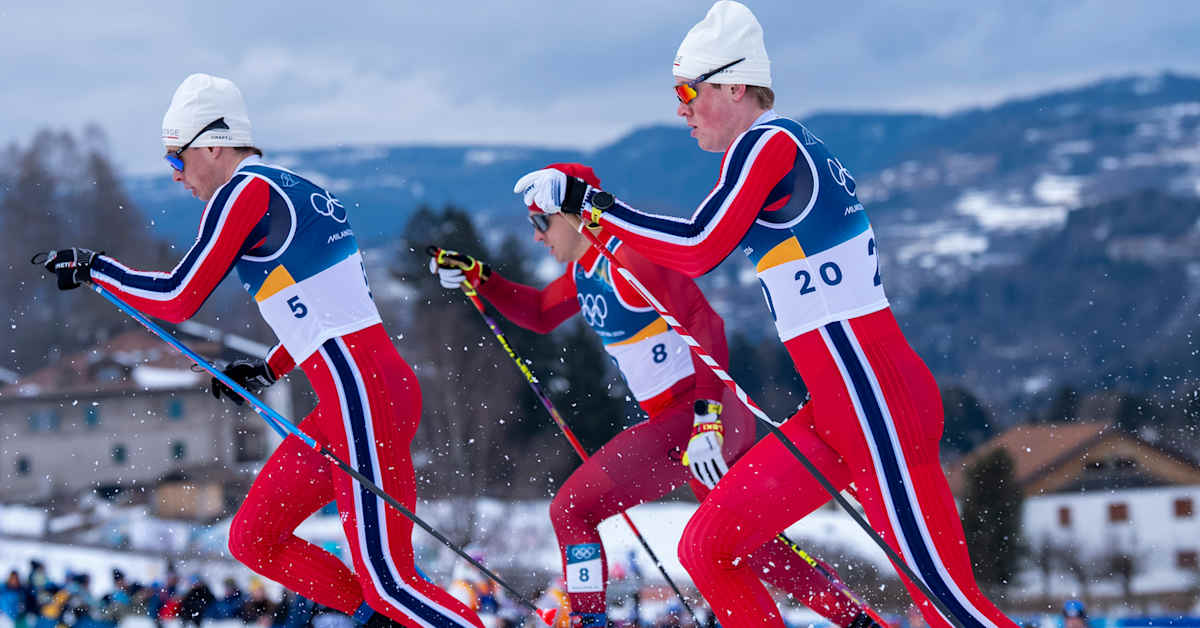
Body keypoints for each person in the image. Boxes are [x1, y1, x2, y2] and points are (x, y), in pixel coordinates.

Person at [512, 3, 1020, 627]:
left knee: (950, 610)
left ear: (734, 85)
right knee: (709, 547)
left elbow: (699, 247)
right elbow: (690, 243)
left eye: (688, 91)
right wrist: (590, 217)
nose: (681, 110)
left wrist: (590, 204)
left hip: (876, 399)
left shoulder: (771, 143)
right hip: (835, 410)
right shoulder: (756, 153)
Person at [38, 73, 482, 628]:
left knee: (391, 582)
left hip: (361, 395)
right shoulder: (293, 189)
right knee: (254, 538)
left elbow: (178, 297)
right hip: (355, 394)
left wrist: (96, 268)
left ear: (212, 145)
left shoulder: (244, 193)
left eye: (177, 158)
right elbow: (322, 311)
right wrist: (268, 368)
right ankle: (378, 620)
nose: (175, 175)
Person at [432, 165, 881, 628]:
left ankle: (587, 621)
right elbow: (542, 312)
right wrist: (481, 278)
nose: (537, 236)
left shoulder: (627, 259)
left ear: (569, 214)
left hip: (696, 413)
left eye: (540, 222)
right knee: (745, 539)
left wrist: (706, 419)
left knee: (572, 511)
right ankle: (856, 620)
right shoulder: (586, 270)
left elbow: (707, 324)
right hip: (698, 415)